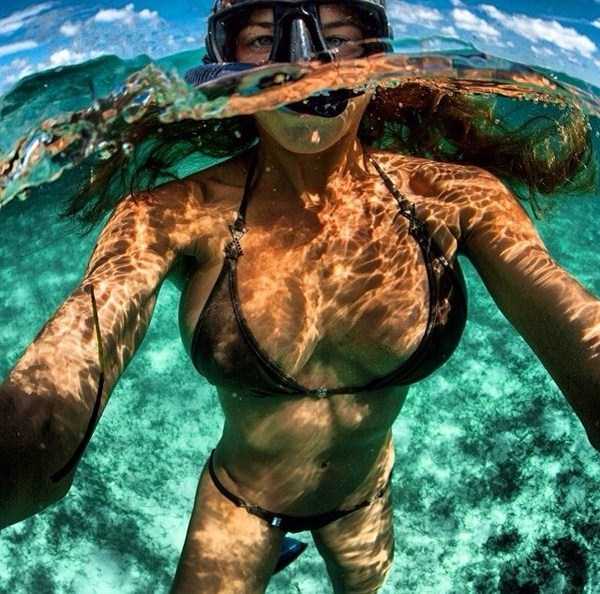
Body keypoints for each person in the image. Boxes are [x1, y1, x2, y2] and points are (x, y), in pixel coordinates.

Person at [1, 1, 599, 593]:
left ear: (377, 56)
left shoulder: (456, 198)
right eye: (264, 39)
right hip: (240, 504)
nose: (307, 63)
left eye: (337, 36)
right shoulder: (169, 216)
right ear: (223, 62)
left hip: (364, 497)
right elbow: (54, 396)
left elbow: (572, 321)